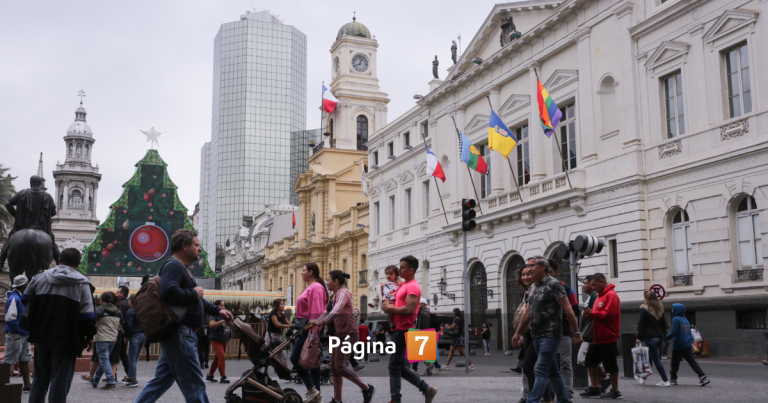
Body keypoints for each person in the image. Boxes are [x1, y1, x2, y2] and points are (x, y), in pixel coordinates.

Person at [135, 229, 234, 403]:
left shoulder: (182, 269)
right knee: (194, 382)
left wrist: (218, 311)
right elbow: (169, 292)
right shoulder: (174, 266)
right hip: (180, 333)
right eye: (196, 245)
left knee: (162, 380)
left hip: (179, 334)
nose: (200, 249)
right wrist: (194, 294)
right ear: (184, 246)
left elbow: (196, 300)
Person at [21, 248, 96, 403]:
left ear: (59, 260)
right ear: (78, 263)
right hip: (67, 339)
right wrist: (89, 336)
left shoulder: (39, 278)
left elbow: (25, 298)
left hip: (42, 335)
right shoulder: (82, 283)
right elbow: (88, 314)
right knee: (60, 380)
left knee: (40, 378)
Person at [511, 257, 582, 403]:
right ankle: (564, 400)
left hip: (550, 335)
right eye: (528, 266)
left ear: (543, 267)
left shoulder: (554, 285)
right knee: (553, 371)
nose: (528, 269)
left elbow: (569, 310)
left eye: (532, 266)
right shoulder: (534, 286)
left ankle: (533, 401)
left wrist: (576, 333)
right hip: (536, 335)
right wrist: (518, 332)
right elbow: (527, 312)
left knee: (540, 369)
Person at [310, 270, 375, 403]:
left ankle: (367, 388)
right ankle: (338, 399)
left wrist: (321, 322)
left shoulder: (343, 293)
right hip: (338, 335)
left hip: (348, 334)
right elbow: (326, 312)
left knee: (340, 367)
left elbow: (336, 310)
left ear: (336, 282)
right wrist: (315, 321)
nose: (326, 282)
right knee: (334, 368)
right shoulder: (333, 296)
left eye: (328, 280)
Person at [382, 255, 437, 403]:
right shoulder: (403, 285)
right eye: (399, 266)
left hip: (403, 329)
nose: (399, 269)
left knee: (394, 365)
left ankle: (396, 398)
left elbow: (409, 309)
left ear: (411, 270)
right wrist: (387, 307)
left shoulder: (412, 286)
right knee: (399, 366)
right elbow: (398, 305)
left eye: (402, 267)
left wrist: (391, 308)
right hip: (398, 329)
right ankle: (426, 388)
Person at [289, 262, 328, 402]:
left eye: (303, 270)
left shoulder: (316, 288)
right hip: (305, 329)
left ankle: (312, 390)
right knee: (313, 362)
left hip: (310, 329)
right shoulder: (312, 287)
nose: (301, 272)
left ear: (310, 272)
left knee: (296, 359)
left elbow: (316, 311)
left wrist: (314, 333)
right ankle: (315, 394)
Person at [581, 273, 622, 399]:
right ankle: (594, 387)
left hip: (608, 336)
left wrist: (592, 313)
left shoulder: (611, 295)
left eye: (594, 285)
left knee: (610, 364)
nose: (592, 287)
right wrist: (589, 314)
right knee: (590, 361)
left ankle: (615, 390)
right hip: (597, 336)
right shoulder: (599, 296)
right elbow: (598, 314)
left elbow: (608, 314)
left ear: (602, 282)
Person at [548, 259, 579, 401]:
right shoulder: (539, 288)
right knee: (548, 363)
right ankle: (549, 394)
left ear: (556, 272)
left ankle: (568, 395)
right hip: (546, 333)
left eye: (551, 272)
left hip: (563, 331)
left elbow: (575, 309)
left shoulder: (566, 288)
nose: (548, 275)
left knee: (565, 363)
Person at [577, 276, 611, 395]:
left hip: (591, 333)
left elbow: (599, 314)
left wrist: (590, 314)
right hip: (589, 333)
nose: (584, 286)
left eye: (586, 283)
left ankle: (604, 379)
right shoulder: (591, 296)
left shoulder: (596, 296)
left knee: (584, 358)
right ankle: (597, 384)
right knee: (590, 358)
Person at [665, 303, 710, 386]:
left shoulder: (675, 319)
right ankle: (703, 377)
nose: (672, 310)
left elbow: (674, 332)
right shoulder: (686, 320)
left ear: (676, 310)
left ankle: (673, 379)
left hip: (678, 345)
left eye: (673, 309)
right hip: (688, 345)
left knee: (674, 363)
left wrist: (666, 338)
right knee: (692, 362)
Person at [3, 275, 31, 392]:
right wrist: (22, 330)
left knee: (24, 359)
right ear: (25, 284)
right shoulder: (15, 298)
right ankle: (4, 385)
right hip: (16, 334)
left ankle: (27, 385)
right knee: (8, 361)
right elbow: (10, 318)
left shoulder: (19, 297)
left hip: (21, 333)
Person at [636, 290, 670, 386]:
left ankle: (665, 380)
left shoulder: (644, 309)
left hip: (650, 337)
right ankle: (643, 378)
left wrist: (639, 337)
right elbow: (664, 325)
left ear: (646, 298)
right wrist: (664, 336)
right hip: (659, 337)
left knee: (656, 360)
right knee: (650, 358)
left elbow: (641, 325)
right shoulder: (660, 309)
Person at [91, 292, 121, 389]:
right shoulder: (117, 311)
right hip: (113, 338)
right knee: (104, 360)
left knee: (104, 359)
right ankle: (95, 380)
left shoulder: (100, 309)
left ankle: (111, 380)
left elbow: (93, 322)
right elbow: (123, 324)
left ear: (101, 300)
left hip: (102, 338)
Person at [206, 300, 231, 383]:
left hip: (224, 338)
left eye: (224, 305)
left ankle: (210, 375)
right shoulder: (213, 315)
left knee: (217, 358)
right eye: (221, 305)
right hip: (215, 338)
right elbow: (212, 325)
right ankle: (223, 377)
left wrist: (231, 322)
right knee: (222, 357)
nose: (223, 307)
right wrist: (222, 321)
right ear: (216, 306)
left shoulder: (226, 314)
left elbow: (232, 325)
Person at [123, 294, 145, 388]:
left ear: (131, 301)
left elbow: (128, 326)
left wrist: (126, 336)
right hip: (143, 335)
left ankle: (134, 379)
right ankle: (129, 376)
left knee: (132, 358)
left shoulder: (130, 312)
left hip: (135, 335)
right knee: (134, 357)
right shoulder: (142, 311)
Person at [412, 298, 436, 376]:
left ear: (423, 304)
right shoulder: (422, 313)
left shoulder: (425, 314)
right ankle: (429, 368)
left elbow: (425, 327)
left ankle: (415, 369)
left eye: (418, 304)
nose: (417, 305)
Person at [267, 298, 292, 367]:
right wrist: (288, 326)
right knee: (264, 353)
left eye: (283, 304)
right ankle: (257, 370)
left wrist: (293, 325)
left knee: (282, 354)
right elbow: (277, 324)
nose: (283, 305)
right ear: (277, 306)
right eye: (281, 304)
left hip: (278, 337)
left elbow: (289, 323)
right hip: (270, 336)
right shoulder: (273, 314)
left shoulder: (282, 315)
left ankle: (285, 371)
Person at [116, 285, 131, 383]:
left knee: (116, 353)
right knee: (123, 354)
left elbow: (121, 319)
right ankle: (129, 374)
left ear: (122, 294)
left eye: (117, 292)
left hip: (120, 332)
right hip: (126, 333)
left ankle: (113, 375)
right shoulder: (129, 304)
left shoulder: (120, 304)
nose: (116, 293)